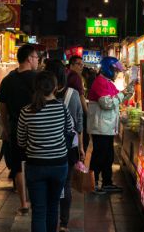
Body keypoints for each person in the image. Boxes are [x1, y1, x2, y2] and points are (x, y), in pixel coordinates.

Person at [17, 71, 74, 232]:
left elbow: (21, 140)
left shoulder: (26, 111)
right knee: (53, 206)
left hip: (35, 166)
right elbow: (70, 131)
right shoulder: (62, 108)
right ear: (55, 88)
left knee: (39, 210)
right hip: (59, 165)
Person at [0, 44, 38, 214]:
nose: (37, 60)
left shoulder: (8, 79)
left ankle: (23, 203)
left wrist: (6, 127)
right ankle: (37, 199)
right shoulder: (38, 79)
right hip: (36, 129)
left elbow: (2, 106)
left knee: (18, 166)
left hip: (15, 127)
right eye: (36, 57)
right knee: (36, 163)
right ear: (29, 58)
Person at [44, 59, 84, 232]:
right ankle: (63, 223)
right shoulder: (73, 94)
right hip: (67, 148)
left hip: (45, 147)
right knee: (65, 185)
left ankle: (48, 220)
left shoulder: (39, 95)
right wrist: (81, 147)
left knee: (47, 186)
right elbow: (79, 123)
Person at [88, 57, 133, 194]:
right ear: (108, 69)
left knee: (108, 156)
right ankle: (93, 183)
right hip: (100, 127)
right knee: (99, 156)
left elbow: (115, 99)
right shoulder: (101, 82)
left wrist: (126, 94)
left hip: (106, 127)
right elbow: (106, 103)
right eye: (115, 70)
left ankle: (107, 182)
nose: (116, 73)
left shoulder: (107, 82)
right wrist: (122, 94)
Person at [67, 55, 89, 151]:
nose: (81, 67)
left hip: (66, 111)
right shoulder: (76, 77)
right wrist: (87, 113)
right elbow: (81, 96)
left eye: (82, 65)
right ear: (71, 65)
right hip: (75, 112)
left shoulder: (66, 74)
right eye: (78, 64)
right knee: (81, 137)